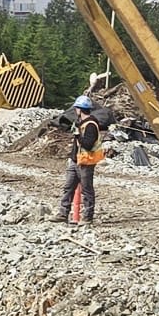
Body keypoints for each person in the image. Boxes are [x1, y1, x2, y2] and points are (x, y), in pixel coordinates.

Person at [54, 94, 102, 224]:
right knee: (68, 187)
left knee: (87, 190)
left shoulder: (91, 125)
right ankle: (63, 213)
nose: (75, 111)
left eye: (76, 108)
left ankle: (88, 217)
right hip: (76, 160)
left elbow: (87, 144)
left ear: (80, 109)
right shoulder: (82, 123)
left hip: (86, 162)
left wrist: (77, 135)